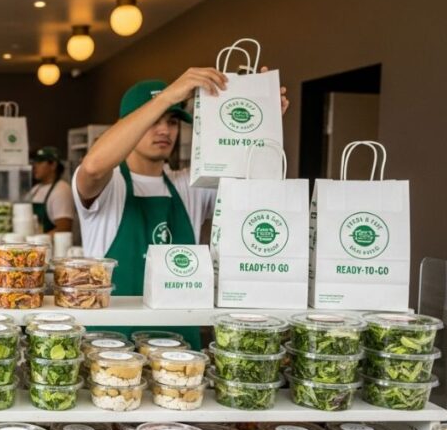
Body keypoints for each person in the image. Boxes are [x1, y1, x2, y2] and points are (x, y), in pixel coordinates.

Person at [74, 67, 289, 347]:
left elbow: (252, 194)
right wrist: (167, 97)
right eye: (155, 120)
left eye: (173, 121)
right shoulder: (110, 183)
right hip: (111, 347)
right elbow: (92, 167)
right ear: (128, 122)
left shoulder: (190, 184)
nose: (165, 130)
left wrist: (259, 117)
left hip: (179, 348)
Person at [27, 146, 74, 234]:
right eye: (34, 162)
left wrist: (39, 241)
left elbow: (64, 228)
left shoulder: (61, 190)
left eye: (40, 162)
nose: (35, 166)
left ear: (53, 165)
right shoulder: (35, 189)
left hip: (51, 246)